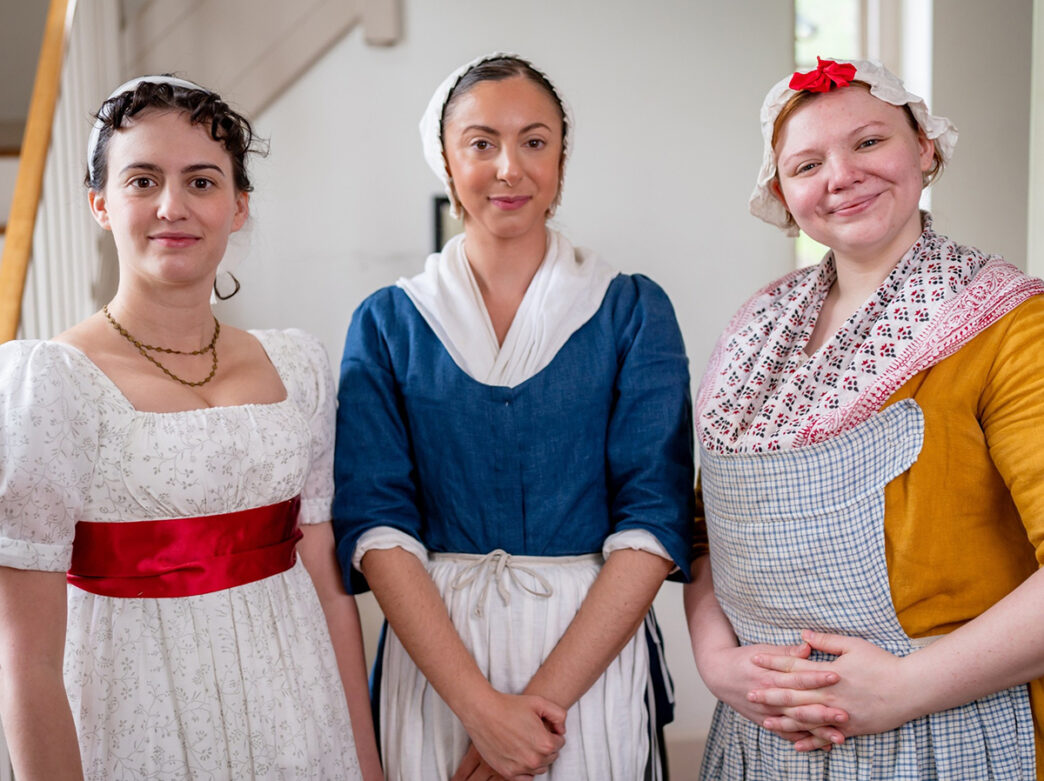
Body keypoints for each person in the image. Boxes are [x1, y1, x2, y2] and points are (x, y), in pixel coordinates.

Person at [0, 76, 382, 780]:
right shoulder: (46, 385)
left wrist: (365, 762)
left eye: (201, 182)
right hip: (138, 726)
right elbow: (27, 663)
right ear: (101, 205)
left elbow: (330, 591)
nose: (172, 207)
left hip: (299, 718)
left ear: (239, 207)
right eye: (142, 180)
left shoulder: (298, 365)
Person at [332, 53, 695, 781]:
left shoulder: (629, 310)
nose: (509, 168)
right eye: (481, 143)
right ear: (445, 158)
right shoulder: (388, 322)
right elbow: (376, 523)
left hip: (586, 660)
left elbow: (654, 518)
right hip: (440, 665)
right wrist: (480, 710)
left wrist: (531, 714)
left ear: (562, 160)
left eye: (535, 141)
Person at [684, 56, 1044, 779]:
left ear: (926, 148)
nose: (841, 175)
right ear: (783, 194)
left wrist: (903, 688)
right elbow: (709, 530)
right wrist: (716, 659)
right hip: (761, 739)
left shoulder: (1010, 325)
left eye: (869, 142)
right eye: (807, 163)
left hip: (941, 731)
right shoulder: (757, 333)